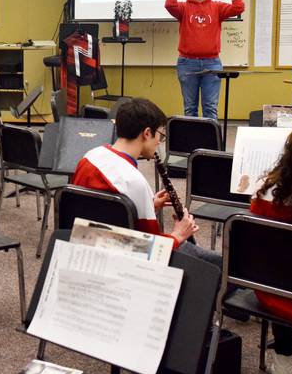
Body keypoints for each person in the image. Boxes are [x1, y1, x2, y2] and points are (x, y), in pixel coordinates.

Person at [71, 97, 220, 266]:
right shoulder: (135, 182)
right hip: (120, 261)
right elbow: (151, 251)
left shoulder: (90, 155)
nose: (159, 142)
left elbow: (101, 211)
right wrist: (178, 235)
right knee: (218, 265)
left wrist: (149, 204)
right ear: (147, 133)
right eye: (160, 136)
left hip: (85, 247)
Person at [250, 124, 292, 374]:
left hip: (267, 291)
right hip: (290, 296)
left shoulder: (265, 190)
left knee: (283, 268)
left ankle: (283, 357)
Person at [165, 0, 245, 119]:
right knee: (190, 109)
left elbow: (239, 7)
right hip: (187, 63)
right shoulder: (184, 7)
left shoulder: (217, 7)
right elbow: (169, 4)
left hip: (212, 63)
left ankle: (210, 143)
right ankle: (192, 143)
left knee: (210, 108)